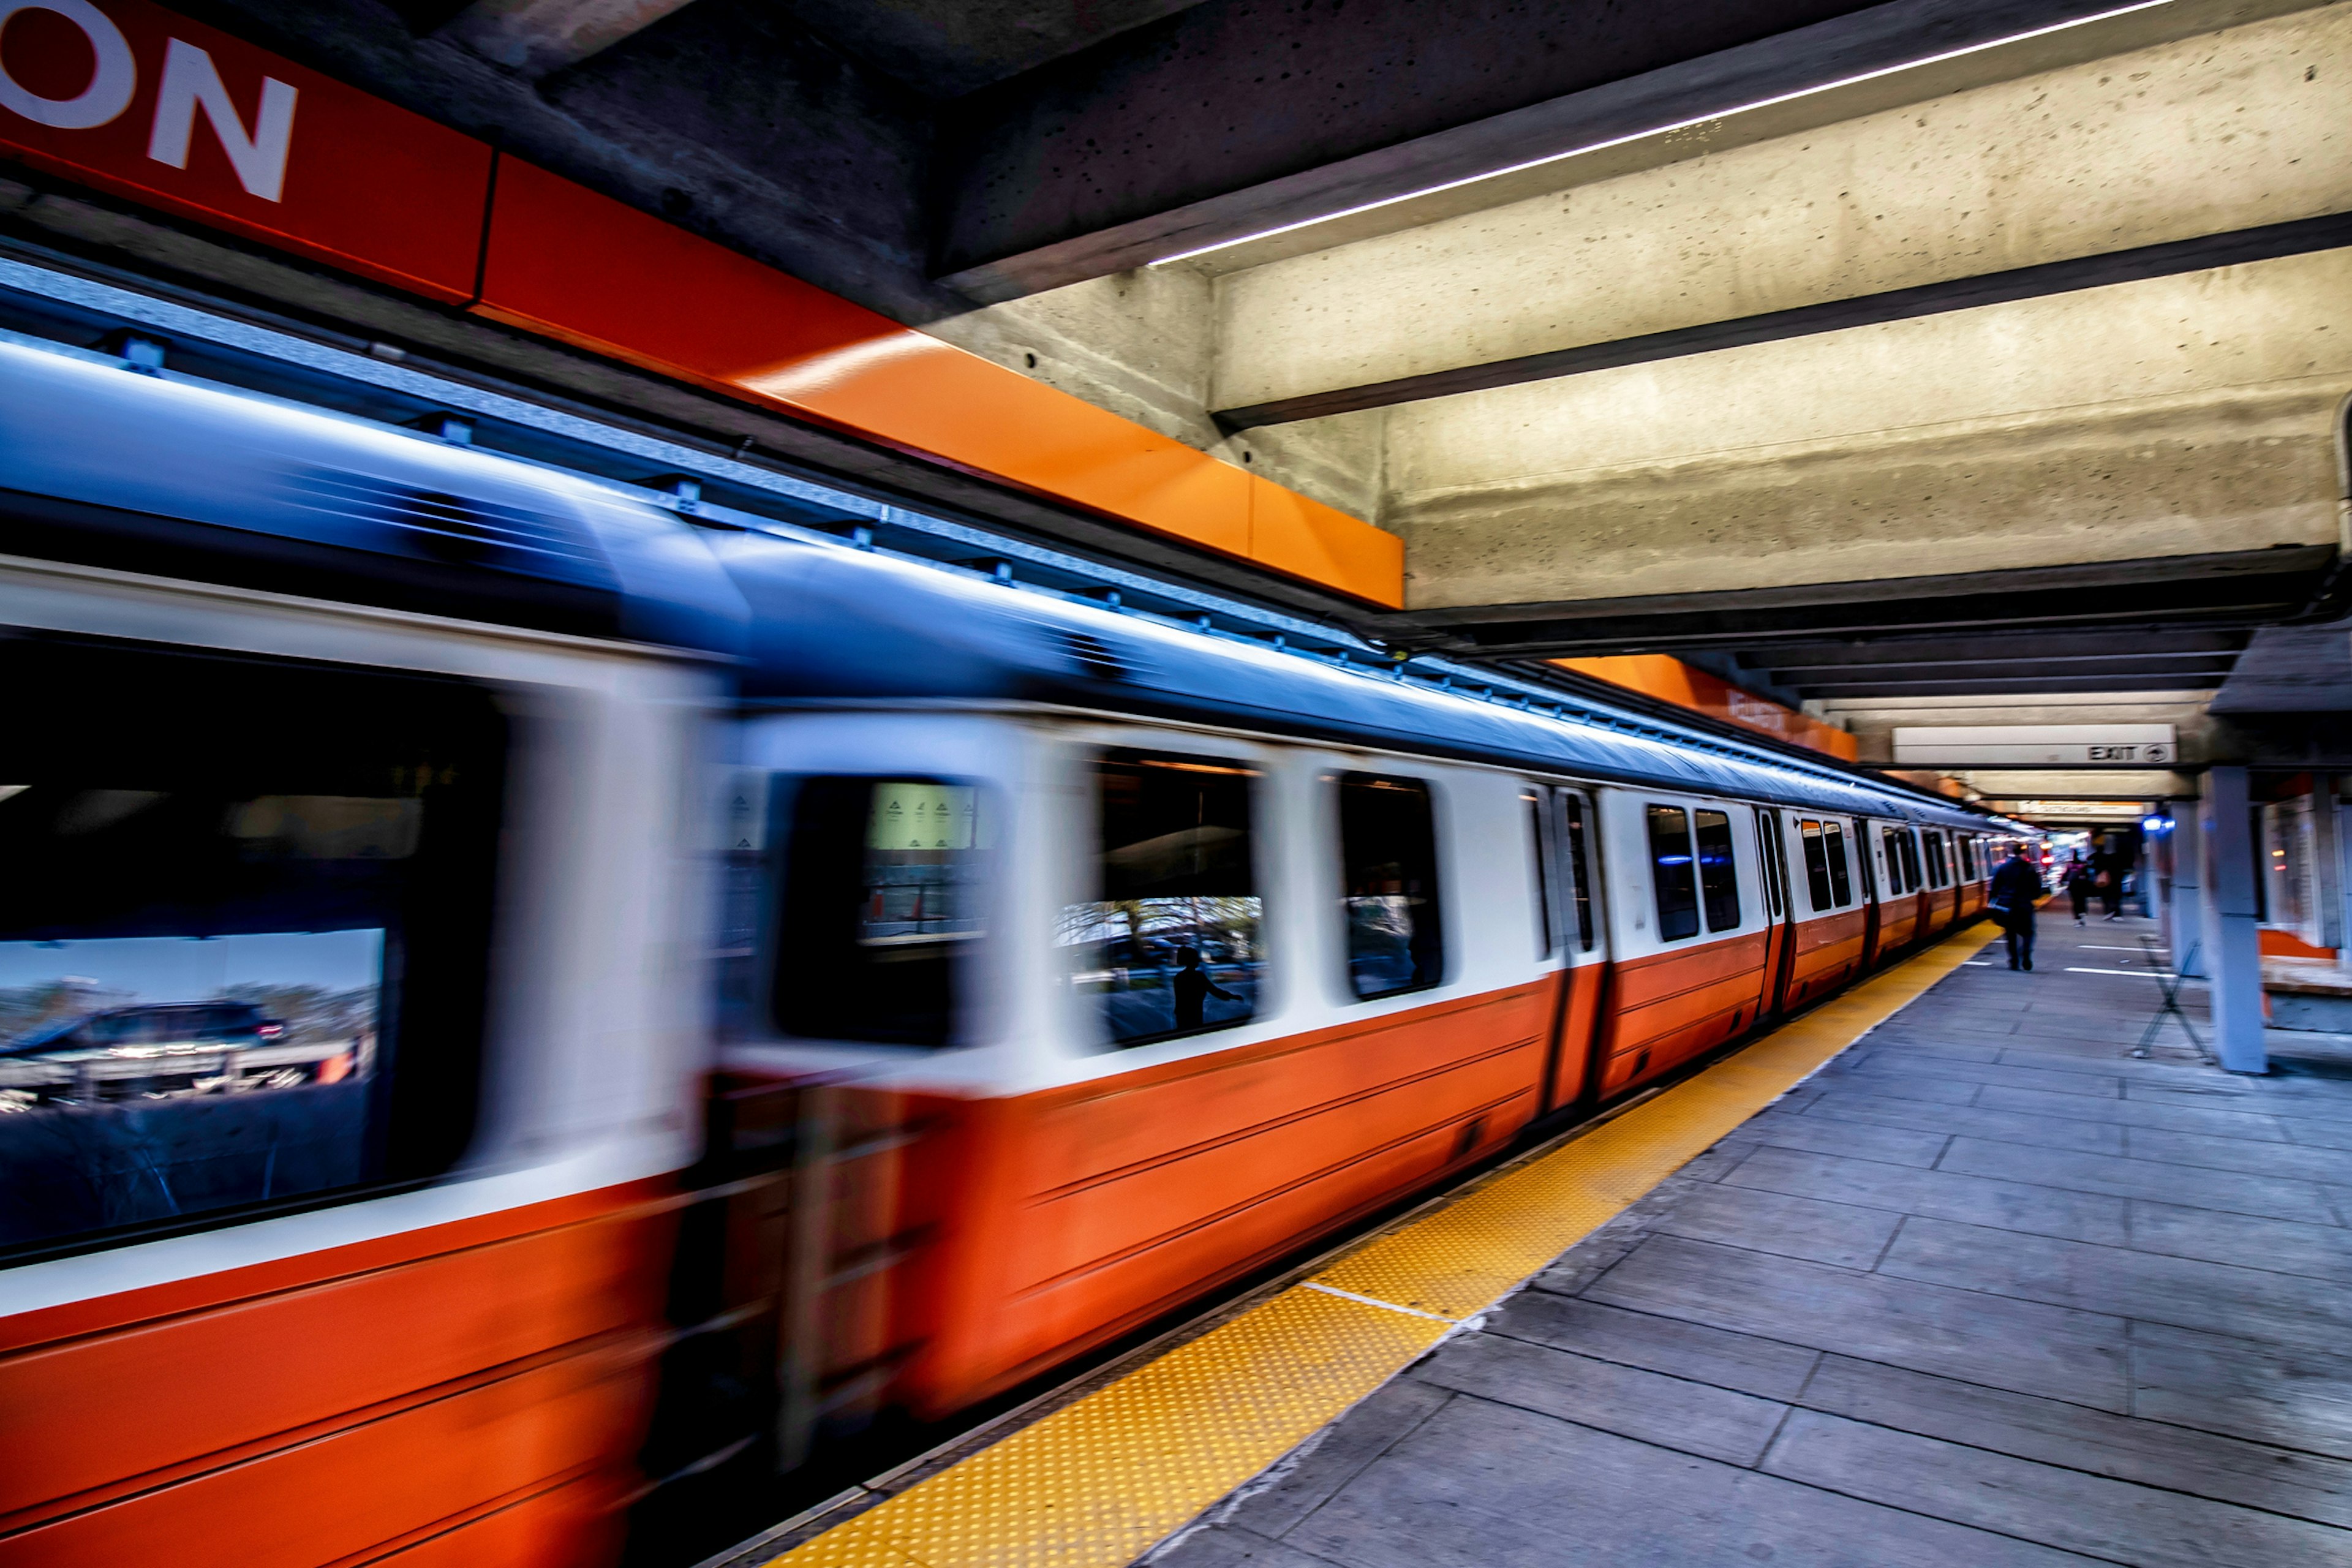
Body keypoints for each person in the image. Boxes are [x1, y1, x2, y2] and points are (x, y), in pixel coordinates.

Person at [1989, 845, 2045, 971]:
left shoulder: (2002, 868)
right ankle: (2026, 953)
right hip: (2025, 906)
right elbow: (2037, 892)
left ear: (2011, 852)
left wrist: (1993, 904)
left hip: (2007, 906)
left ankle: (2014, 961)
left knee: (2010, 934)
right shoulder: (2030, 869)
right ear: (2024, 853)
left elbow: (1993, 889)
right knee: (2028, 933)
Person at [1172, 946, 1238, 1031]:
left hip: (1182, 1015)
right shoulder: (1198, 976)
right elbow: (1214, 991)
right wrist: (1232, 996)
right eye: (1195, 958)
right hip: (1194, 1014)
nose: (1198, 960)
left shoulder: (1179, 977)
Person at [2064, 856, 2095, 926]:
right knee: (2082, 901)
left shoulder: (2070, 866)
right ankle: (2083, 914)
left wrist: (2062, 881)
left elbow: (2065, 875)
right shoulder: (2083, 866)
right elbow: (2088, 876)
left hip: (2073, 887)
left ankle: (2077, 918)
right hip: (2082, 887)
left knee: (2075, 902)